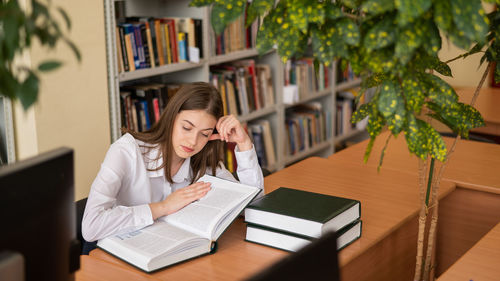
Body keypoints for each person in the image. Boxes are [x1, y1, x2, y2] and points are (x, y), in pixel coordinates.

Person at [81, 82, 264, 253]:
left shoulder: (204, 163)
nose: (193, 142)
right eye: (186, 127)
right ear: (171, 118)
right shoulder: (125, 152)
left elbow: (254, 209)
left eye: (204, 134)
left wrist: (244, 144)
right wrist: (163, 207)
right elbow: (91, 227)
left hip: (172, 254)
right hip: (117, 257)